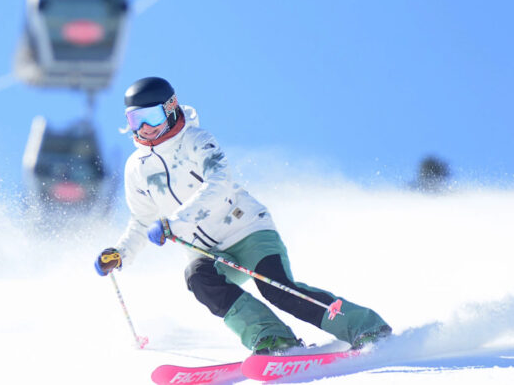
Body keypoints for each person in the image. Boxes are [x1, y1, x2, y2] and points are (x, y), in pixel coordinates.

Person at [94, 77, 391, 354]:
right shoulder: (136, 168)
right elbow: (142, 219)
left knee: (278, 290)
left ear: (170, 111)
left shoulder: (197, 140)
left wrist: (176, 222)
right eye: (136, 119)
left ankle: (365, 327)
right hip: (204, 250)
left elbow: (219, 183)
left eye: (152, 117)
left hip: (247, 230)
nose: (145, 127)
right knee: (199, 280)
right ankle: (273, 338)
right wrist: (120, 253)